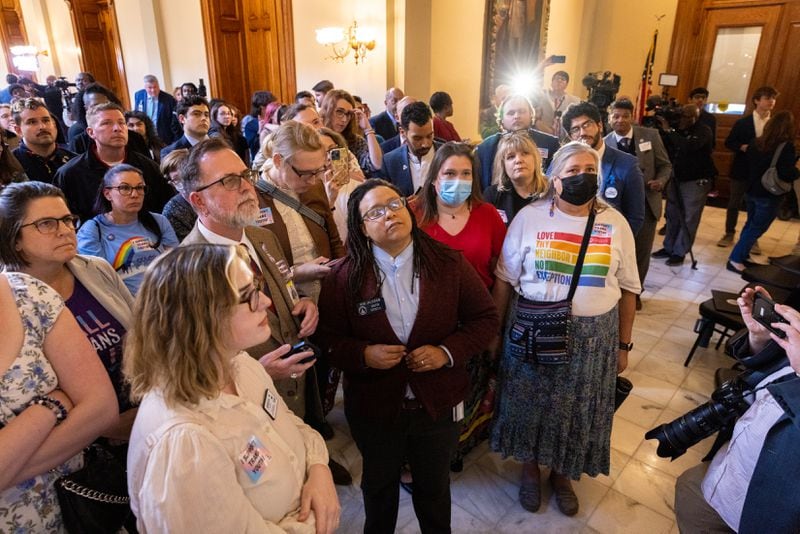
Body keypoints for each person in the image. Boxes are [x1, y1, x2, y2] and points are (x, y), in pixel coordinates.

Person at [316, 179, 499, 533]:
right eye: (375, 212)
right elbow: (327, 339)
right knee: (379, 489)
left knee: (433, 490)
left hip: (437, 404)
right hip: (375, 406)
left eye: (395, 203)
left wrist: (446, 352)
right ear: (363, 229)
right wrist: (363, 354)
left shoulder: (448, 264)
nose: (389, 214)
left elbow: (485, 319)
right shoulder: (343, 277)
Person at [125, 244, 340, 533]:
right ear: (201, 317)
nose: (264, 301)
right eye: (248, 295)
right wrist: (316, 519)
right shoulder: (185, 444)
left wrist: (318, 470)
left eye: (258, 287)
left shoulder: (242, 366)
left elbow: (292, 427)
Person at [490, 141, 640, 516]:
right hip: (534, 328)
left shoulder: (615, 223)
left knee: (575, 411)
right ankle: (529, 468)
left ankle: (562, 472)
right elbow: (505, 279)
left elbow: (628, 290)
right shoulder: (530, 217)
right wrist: (494, 333)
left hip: (594, 338)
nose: (582, 177)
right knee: (529, 403)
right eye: (572, 170)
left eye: (590, 170)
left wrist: (624, 346)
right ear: (554, 179)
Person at [0, 181, 138, 439]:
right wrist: (109, 427)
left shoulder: (96, 268)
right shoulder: (9, 303)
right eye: (46, 224)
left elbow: (141, 334)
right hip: (81, 438)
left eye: (66, 220)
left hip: (143, 407)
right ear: (14, 239)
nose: (64, 231)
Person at [0, 252, 117, 530]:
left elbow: (101, 408)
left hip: (79, 509)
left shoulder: (29, 295)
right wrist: (51, 406)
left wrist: (9, 466)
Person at [674, 286, 800, 533]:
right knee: (689, 488)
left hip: (771, 502)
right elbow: (780, 363)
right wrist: (761, 337)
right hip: (732, 464)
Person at [412, 142, 506, 470]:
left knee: (469, 392)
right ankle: (424, 452)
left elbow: (501, 271)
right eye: (450, 173)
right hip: (423, 321)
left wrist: (493, 327)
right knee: (428, 393)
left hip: (473, 323)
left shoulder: (488, 215)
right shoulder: (414, 213)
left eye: (466, 173)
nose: (458, 180)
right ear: (435, 179)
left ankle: (456, 447)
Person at [254, 121, 344, 303]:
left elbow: (334, 240)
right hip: (286, 302)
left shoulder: (315, 184)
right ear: (278, 161)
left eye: (318, 170)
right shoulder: (253, 197)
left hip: (328, 295)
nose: (313, 180)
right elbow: (255, 268)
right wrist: (295, 273)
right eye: (305, 173)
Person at [55, 102, 174, 222]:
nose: (117, 128)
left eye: (121, 123)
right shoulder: (70, 174)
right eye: (106, 123)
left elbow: (165, 210)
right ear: (91, 132)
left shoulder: (148, 168)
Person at [605, 98, 672, 307]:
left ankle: (635, 294)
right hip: (615, 207)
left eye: (625, 116)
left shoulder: (650, 136)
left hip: (645, 204)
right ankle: (615, 293)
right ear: (609, 119)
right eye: (616, 116)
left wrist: (660, 182)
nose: (620, 120)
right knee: (615, 252)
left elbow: (665, 165)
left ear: (632, 117)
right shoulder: (604, 142)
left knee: (641, 253)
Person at [77, 164, 178, 295]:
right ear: (108, 194)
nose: (135, 194)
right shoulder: (93, 229)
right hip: (123, 304)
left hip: (166, 297)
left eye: (139, 188)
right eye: (124, 188)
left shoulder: (159, 221)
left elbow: (175, 266)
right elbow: (100, 282)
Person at [727, 111, 799, 273]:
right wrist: (797, 170)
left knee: (750, 224)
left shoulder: (756, 142)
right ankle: (736, 259)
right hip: (769, 193)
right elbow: (786, 172)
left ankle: (742, 255)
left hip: (752, 189)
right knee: (757, 227)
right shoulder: (785, 147)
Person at [563, 101, 646, 235]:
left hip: (609, 244)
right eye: (575, 129)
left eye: (587, 125)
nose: (583, 132)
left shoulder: (627, 164)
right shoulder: (563, 163)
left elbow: (635, 217)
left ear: (600, 126)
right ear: (570, 136)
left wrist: (615, 245)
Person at [651, 104, 715, 266]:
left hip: (696, 180)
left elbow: (688, 146)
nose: (683, 120)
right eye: (682, 116)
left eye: (687, 117)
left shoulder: (703, 130)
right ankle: (668, 247)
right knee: (672, 215)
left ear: (695, 117)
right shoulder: (676, 129)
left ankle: (680, 252)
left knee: (689, 217)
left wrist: (670, 131)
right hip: (677, 177)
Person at [719, 86, 778, 249]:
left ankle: (751, 237)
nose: (771, 101)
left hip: (762, 172)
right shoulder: (743, 122)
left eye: (773, 98)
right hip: (742, 168)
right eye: (767, 98)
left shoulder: (774, 124)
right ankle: (729, 233)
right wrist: (742, 147)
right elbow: (729, 142)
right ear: (757, 100)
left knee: (756, 205)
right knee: (734, 203)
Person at [475, 94, 560, 189]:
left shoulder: (550, 143)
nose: (516, 116)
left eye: (522, 111)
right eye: (511, 113)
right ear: (501, 119)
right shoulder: (486, 148)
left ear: (531, 114)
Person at [484, 130, 550, 224]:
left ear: (536, 159)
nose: (518, 160)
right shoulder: (492, 196)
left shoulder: (552, 191)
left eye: (525, 153)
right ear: (503, 165)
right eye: (511, 157)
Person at [378, 101, 442, 196]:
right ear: (403, 132)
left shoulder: (447, 155)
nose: (425, 144)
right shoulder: (390, 162)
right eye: (417, 138)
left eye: (429, 136)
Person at [317, 126, 365, 241]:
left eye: (332, 150)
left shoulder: (357, 185)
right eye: (322, 152)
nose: (329, 157)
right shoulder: (306, 190)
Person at [12, 97, 75, 184]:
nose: (42, 127)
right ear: (18, 130)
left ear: (54, 124)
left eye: (46, 120)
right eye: (32, 122)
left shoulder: (75, 160)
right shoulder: (10, 166)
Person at [319, 89, 382, 176]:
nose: (344, 119)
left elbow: (376, 164)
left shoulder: (354, 141)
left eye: (348, 114)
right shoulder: (317, 138)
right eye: (339, 112)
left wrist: (368, 129)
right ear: (328, 110)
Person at [160, 148, 196, 241]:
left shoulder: (212, 193)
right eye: (177, 178)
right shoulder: (172, 210)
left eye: (186, 175)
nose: (184, 181)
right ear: (172, 183)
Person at [133, 74, 179, 145]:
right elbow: (136, 113)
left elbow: (173, 121)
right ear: (145, 87)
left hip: (163, 137)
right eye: (150, 88)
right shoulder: (139, 95)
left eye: (155, 87)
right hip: (144, 134)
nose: (153, 90)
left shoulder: (169, 99)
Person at [160, 95, 211, 159]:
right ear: (182, 119)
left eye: (206, 115)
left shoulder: (220, 145)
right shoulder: (170, 153)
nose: (204, 118)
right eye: (196, 114)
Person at [209, 101, 250, 165]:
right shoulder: (215, 134)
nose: (227, 116)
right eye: (222, 114)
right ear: (215, 116)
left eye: (228, 113)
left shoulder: (232, 133)